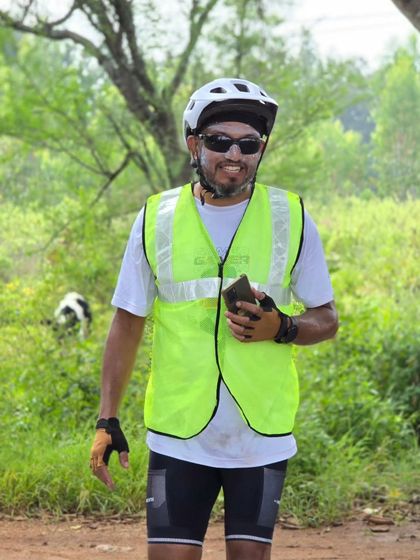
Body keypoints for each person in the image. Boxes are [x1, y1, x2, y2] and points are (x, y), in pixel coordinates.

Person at [90, 77, 339, 560]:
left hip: (259, 438)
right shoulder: (155, 218)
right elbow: (127, 322)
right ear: (193, 144)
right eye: (219, 141)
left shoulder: (292, 216)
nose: (235, 154)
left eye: (248, 144)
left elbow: (326, 319)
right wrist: (107, 417)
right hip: (179, 435)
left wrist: (282, 327)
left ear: (260, 149)